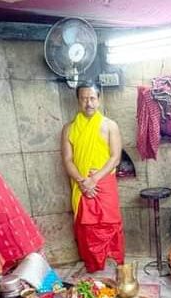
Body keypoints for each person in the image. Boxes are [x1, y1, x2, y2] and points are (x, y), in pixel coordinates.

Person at [61, 83, 125, 273]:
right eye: (83, 99)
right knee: (87, 229)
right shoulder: (69, 128)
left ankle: (115, 266)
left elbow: (115, 158)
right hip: (81, 185)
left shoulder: (110, 125)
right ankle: (94, 268)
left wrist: (94, 179)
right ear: (78, 100)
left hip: (103, 183)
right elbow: (67, 160)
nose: (88, 103)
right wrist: (83, 182)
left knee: (110, 224)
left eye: (92, 98)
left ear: (98, 99)